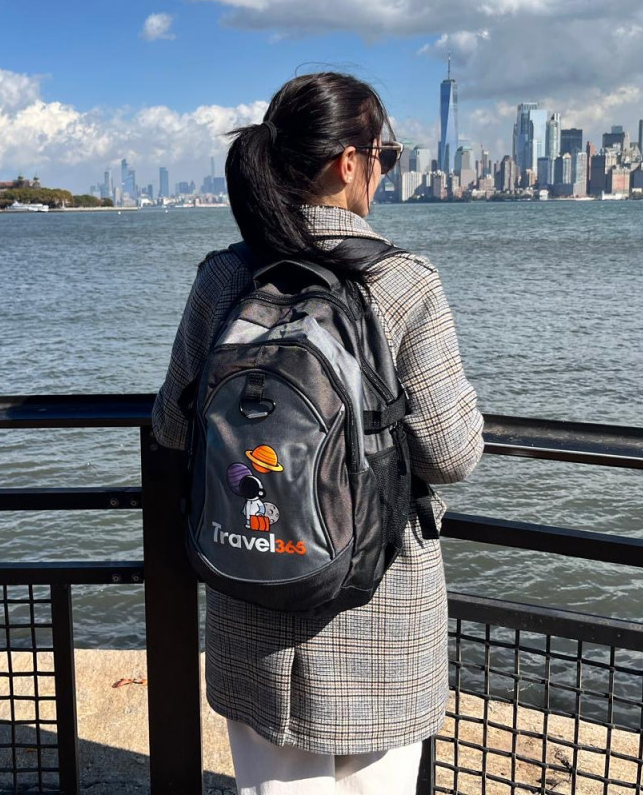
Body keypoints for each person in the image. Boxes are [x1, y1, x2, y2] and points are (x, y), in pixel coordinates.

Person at [151, 72, 485, 795]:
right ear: (348, 162)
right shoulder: (404, 282)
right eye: (385, 157)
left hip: (251, 587)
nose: (384, 174)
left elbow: (173, 426)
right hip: (377, 606)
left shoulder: (225, 276)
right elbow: (452, 455)